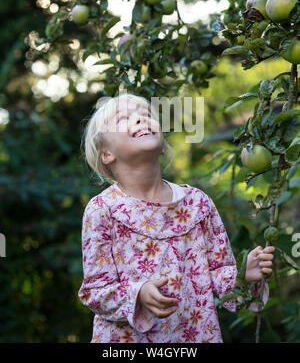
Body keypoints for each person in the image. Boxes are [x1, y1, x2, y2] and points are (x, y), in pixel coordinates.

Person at [78, 92, 275, 343]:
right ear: (106, 154)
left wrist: (243, 275)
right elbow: (96, 293)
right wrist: (137, 294)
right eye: (124, 118)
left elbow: (218, 276)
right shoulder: (102, 210)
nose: (141, 119)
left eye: (147, 115)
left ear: (162, 148)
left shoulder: (197, 204)